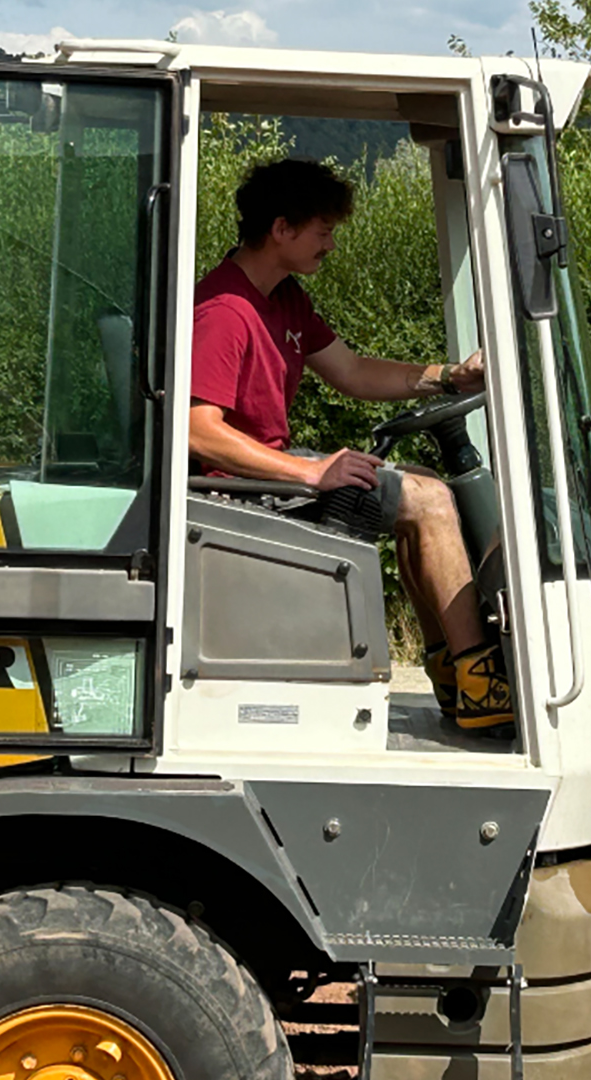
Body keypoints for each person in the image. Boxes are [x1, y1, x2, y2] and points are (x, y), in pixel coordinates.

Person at [188, 158, 510, 730]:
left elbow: (354, 372)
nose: (331, 245)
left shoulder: (281, 297)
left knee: (422, 487)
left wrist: (448, 375)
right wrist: (308, 472)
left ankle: (452, 673)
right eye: (324, 231)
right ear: (282, 229)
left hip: (264, 482)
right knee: (426, 498)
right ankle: (481, 679)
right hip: (230, 497)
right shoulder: (224, 310)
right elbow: (197, 431)